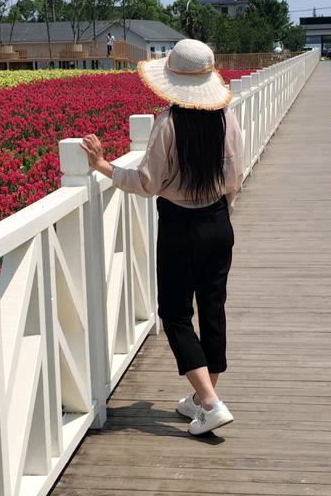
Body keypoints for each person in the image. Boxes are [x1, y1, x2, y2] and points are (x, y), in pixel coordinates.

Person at [80, 38, 242, 435]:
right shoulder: (227, 118)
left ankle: (210, 401)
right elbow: (235, 175)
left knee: (174, 314)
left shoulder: (168, 123)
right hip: (219, 223)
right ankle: (204, 400)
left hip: (180, 228)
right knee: (213, 307)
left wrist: (103, 165)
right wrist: (223, 210)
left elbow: (147, 182)